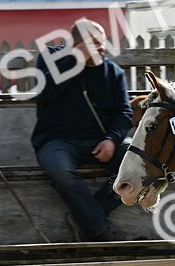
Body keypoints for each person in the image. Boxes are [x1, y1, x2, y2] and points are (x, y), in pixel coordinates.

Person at [32, 18, 133, 242]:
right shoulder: (51, 59)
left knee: (139, 164)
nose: (101, 48)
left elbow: (125, 113)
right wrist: (74, 60)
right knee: (61, 172)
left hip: (102, 141)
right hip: (57, 141)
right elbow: (46, 93)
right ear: (76, 44)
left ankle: (88, 218)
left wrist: (111, 139)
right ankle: (98, 229)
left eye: (103, 42)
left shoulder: (112, 71)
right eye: (94, 43)